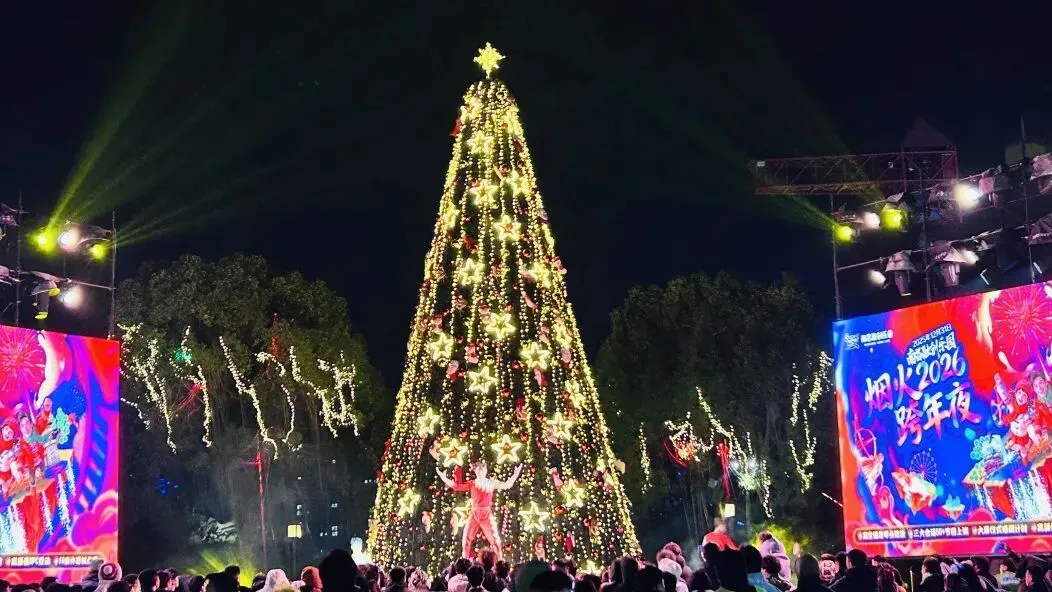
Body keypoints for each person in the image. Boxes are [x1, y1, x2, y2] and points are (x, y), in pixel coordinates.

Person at [437, 461, 523, 560]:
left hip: (486, 515)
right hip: (474, 514)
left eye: (483, 469)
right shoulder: (472, 483)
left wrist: (515, 474)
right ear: (475, 471)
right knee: (466, 537)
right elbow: (457, 486)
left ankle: (500, 561)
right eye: (479, 470)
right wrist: (443, 478)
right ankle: (465, 561)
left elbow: (507, 485)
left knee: (495, 539)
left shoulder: (491, 483)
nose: (481, 472)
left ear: (486, 470)